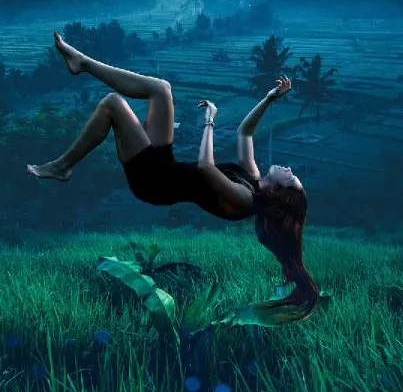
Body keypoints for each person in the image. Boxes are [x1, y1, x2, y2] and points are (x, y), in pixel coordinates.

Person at [27, 31, 319, 325]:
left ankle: (62, 166)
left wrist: (210, 121)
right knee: (161, 88)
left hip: (154, 182)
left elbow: (206, 167)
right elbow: (245, 131)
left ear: (281, 192)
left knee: (113, 104)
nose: (290, 171)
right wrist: (269, 99)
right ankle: (83, 62)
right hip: (166, 165)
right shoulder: (252, 178)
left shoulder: (245, 201)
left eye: (292, 178)